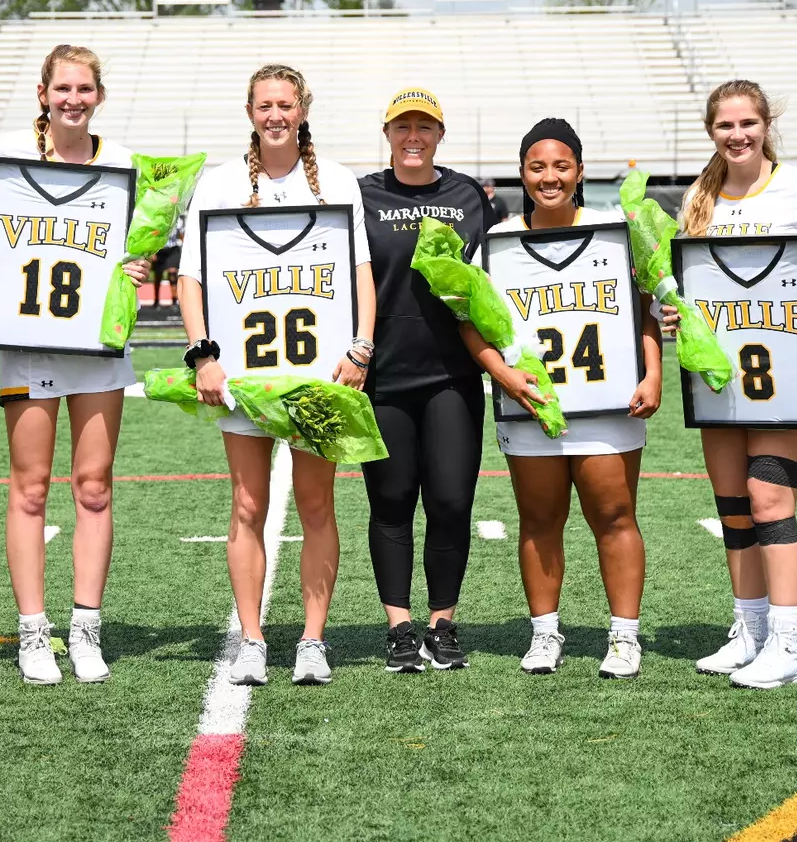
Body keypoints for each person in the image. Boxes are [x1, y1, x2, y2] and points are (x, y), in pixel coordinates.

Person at [178, 63, 377, 687]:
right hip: (246, 377)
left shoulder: (338, 182)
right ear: (250, 112)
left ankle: (313, 641)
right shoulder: (219, 184)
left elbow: (361, 276)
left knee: (318, 504)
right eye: (265, 105)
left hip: (318, 376)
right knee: (247, 503)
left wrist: (361, 348)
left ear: (303, 110)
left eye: (285, 104)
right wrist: (203, 356)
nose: (275, 115)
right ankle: (253, 639)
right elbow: (191, 282)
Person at [0, 45, 150, 686]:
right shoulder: (10, 150)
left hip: (96, 346)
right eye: (62, 88)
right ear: (43, 92)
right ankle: (34, 632)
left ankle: (86, 628)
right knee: (31, 487)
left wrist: (137, 268)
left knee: (94, 488)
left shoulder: (121, 162)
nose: (73, 99)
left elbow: (134, 248)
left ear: (99, 95)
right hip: (28, 341)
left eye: (84, 89)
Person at [667, 79, 797, 689]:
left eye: (747, 123)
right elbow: (685, 286)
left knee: (770, 498)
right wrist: (671, 314)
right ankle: (748, 634)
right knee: (733, 509)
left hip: (792, 373)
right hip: (721, 380)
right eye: (725, 126)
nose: (737, 135)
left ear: (766, 123)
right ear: (711, 131)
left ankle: (788, 645)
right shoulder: (700, 195)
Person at [469, 118, 662, 677]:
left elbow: (646, 309)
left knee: (615, 514)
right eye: (537, 166)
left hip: (607, 401)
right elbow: (470, 323)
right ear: (522, 173)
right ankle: (545, 633)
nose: (549, 177)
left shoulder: (614, 232)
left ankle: (625, 637)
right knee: (538, 519)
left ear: (579, 171)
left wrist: (652, 374)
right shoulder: (498, 241)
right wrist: (502, 375)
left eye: (561, 166)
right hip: (532, 404)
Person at [357, 88, 496, 672]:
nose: (413, 137)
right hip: (382, 373)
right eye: (402, 127)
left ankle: (442, 622)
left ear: (441, 134)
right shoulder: (360, 195)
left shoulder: (467, 195)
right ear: (387, 133)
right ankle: (399, 626)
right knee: (390, 501)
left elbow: (491, 279)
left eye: (425, 127)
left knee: (449, 501)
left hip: (452, 372)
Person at [149, 215, 183, 307]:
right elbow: (152, 236)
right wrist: (152, 252)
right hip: (159, 249)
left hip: (173, 249)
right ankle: (156, 300)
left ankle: (174, 299)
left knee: (172, 274)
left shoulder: (177, 220)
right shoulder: (157, 220)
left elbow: (181, 235)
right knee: (158, 275)